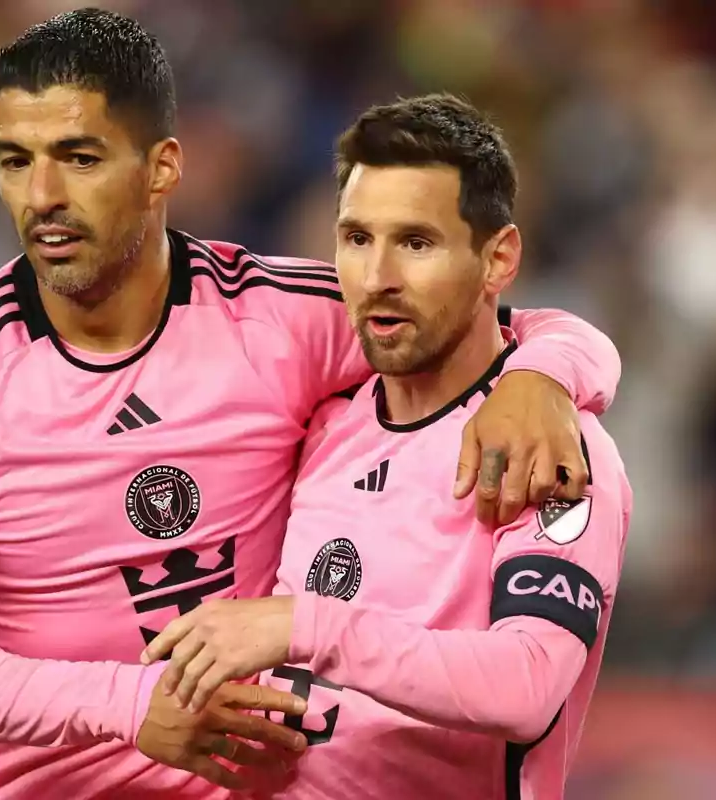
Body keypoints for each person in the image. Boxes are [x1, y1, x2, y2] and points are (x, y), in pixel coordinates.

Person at [0, 9, 621, 798]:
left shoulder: (283, 319)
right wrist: (127, 705)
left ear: (162, 168)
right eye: (16, 160)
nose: (42, 195)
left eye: (79, 158)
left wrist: (548, 374)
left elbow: (481, 324)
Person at [141, 94, 632, 799]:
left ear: (498, 259)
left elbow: (525, 685)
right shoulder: (321, 420)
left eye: (417, 242)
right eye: (357, 238)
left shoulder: (549, 444)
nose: (377, 279)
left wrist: (305, 626)